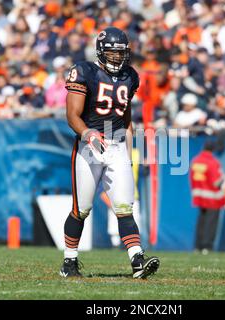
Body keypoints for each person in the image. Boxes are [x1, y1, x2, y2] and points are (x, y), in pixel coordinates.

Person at [61, 27, 160, 279]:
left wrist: (128, 150)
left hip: (115, 145)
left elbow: (126, 117)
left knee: (125, 206)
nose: (118, 58)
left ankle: (137, 260)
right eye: (113, 53)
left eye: (121, 53)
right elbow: (72, 115)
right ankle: (69, 262)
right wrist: (87, 133)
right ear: (101, 51)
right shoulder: (84, 71)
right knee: (81, 209)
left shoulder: (130, 77)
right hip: (89, 146)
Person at [190, 141, 225, 254]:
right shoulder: (213, 162)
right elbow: (217, 182)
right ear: (213, 149)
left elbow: (192, 178)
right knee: (211, 224)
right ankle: (207, 246)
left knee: (201, 222)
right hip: (212, 197)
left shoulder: (195, 161)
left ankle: (197, 246)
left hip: (199, 196)